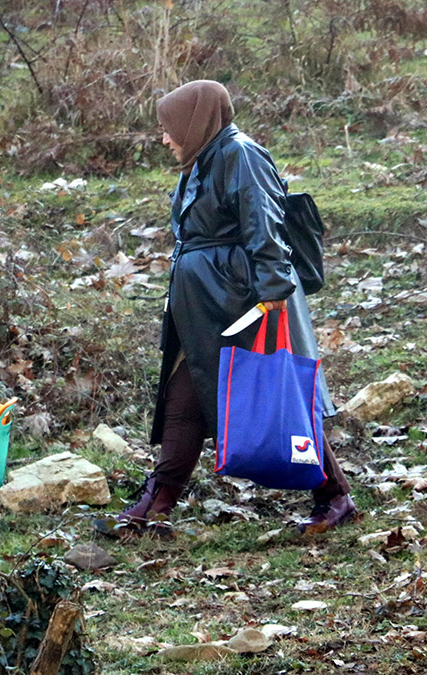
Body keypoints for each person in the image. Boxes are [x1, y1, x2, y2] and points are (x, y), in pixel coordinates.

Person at [93, 80, 357, 538]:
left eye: (168, 128)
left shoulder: (240, 154)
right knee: (183, 397)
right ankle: (157, 501)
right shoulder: (202, 159)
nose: (164, 138)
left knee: (281, 393)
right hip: (205, 304)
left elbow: (265, 222)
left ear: (195, 122)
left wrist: (273, 291)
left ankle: (335, 496)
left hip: (244, 300)